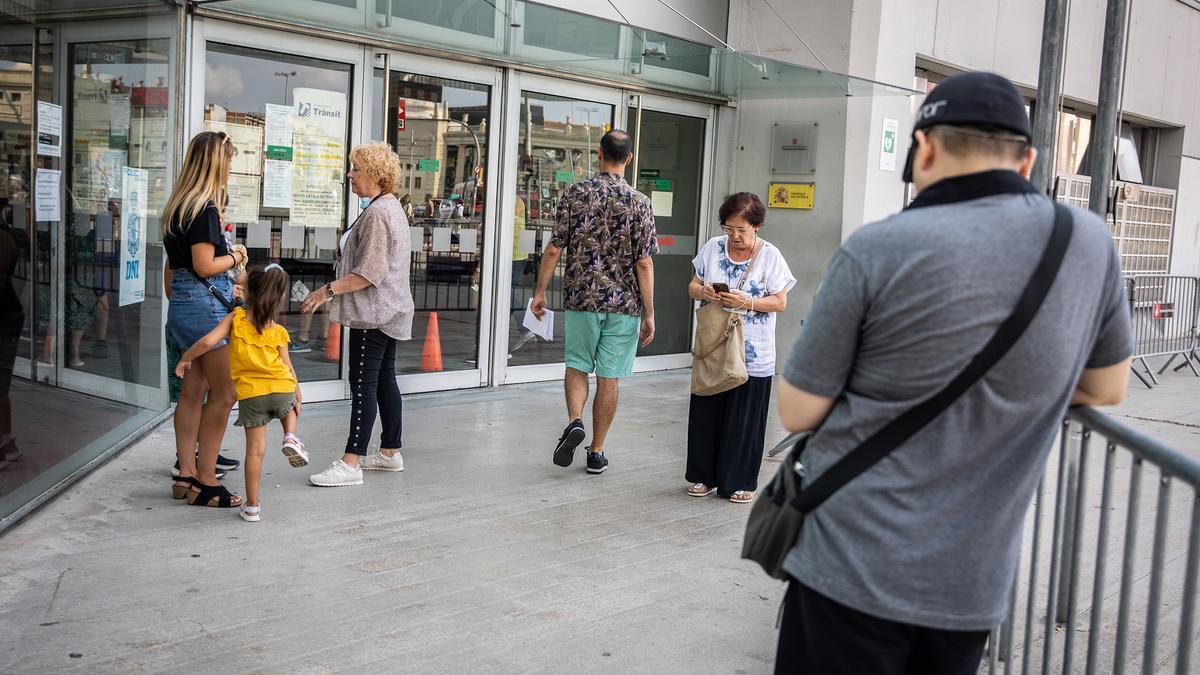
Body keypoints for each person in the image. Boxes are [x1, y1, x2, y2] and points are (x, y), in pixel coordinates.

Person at [772, 72, 1133, 674]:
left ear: (926, 147)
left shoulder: (878, 248)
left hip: (849, 564)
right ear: (1028, 161)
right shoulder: (1088, 242)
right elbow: (1107, 387)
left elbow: (798, 410)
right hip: (970, 584)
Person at [531, 129, 656, 475]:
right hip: (624, 304)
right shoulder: (640, 203)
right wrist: (650, 312)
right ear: (628, 158)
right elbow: (644, 262)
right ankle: (597, 451)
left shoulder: (575, 193)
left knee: (577, 365)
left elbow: (555, 248)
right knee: (609, 376)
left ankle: (575, 420)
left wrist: (540, 293)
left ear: (598, 154)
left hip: (582, 298)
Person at [302, 141, 413, 487]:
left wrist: (326, 291)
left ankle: (352, 461)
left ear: (376, 175)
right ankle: (391, 451)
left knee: (363, 385)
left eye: (356, 169)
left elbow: (369, 273)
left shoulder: (379, 214)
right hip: (388, 310)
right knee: (384, 381)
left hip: (374, 313)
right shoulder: (388, 206)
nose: (349, 174)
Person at [685, 192, 794, 503]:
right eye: (728, 228)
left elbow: (780, 302)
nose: (733, 236)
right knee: (707, 411)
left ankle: (739, 480)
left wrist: (747, 301)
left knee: (745, 419)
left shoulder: (771, 256)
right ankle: (703, 477)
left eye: (741, 230)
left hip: (753, 352)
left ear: (757, 226)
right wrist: (704, 289)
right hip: (715, 346)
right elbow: (692, 287)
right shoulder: (711, 249)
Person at [176, 264, 307, 521]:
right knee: (290, 406)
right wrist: (297, 391)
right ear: (279, 297)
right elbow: (288, 368)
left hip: (252, 395)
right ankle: (290, 435)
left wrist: (186, 359)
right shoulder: (279, 332)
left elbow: (207, 342)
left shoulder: (235, 319)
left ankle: (253, 507)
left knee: (254, 452)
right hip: (281, 387)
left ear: (247, 293)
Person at [163, 130, 248, 508]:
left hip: (182, 305)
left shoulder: (177, 207)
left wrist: (183, 299)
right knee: (225, 393)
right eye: (228, 160)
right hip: (206, 308)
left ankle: (185, 474)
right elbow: (204, 264)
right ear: (216, 163)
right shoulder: (205, 209)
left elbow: (173, 271)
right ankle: (207, 480)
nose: (231, 167)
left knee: (192, 393)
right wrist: (237, 256)